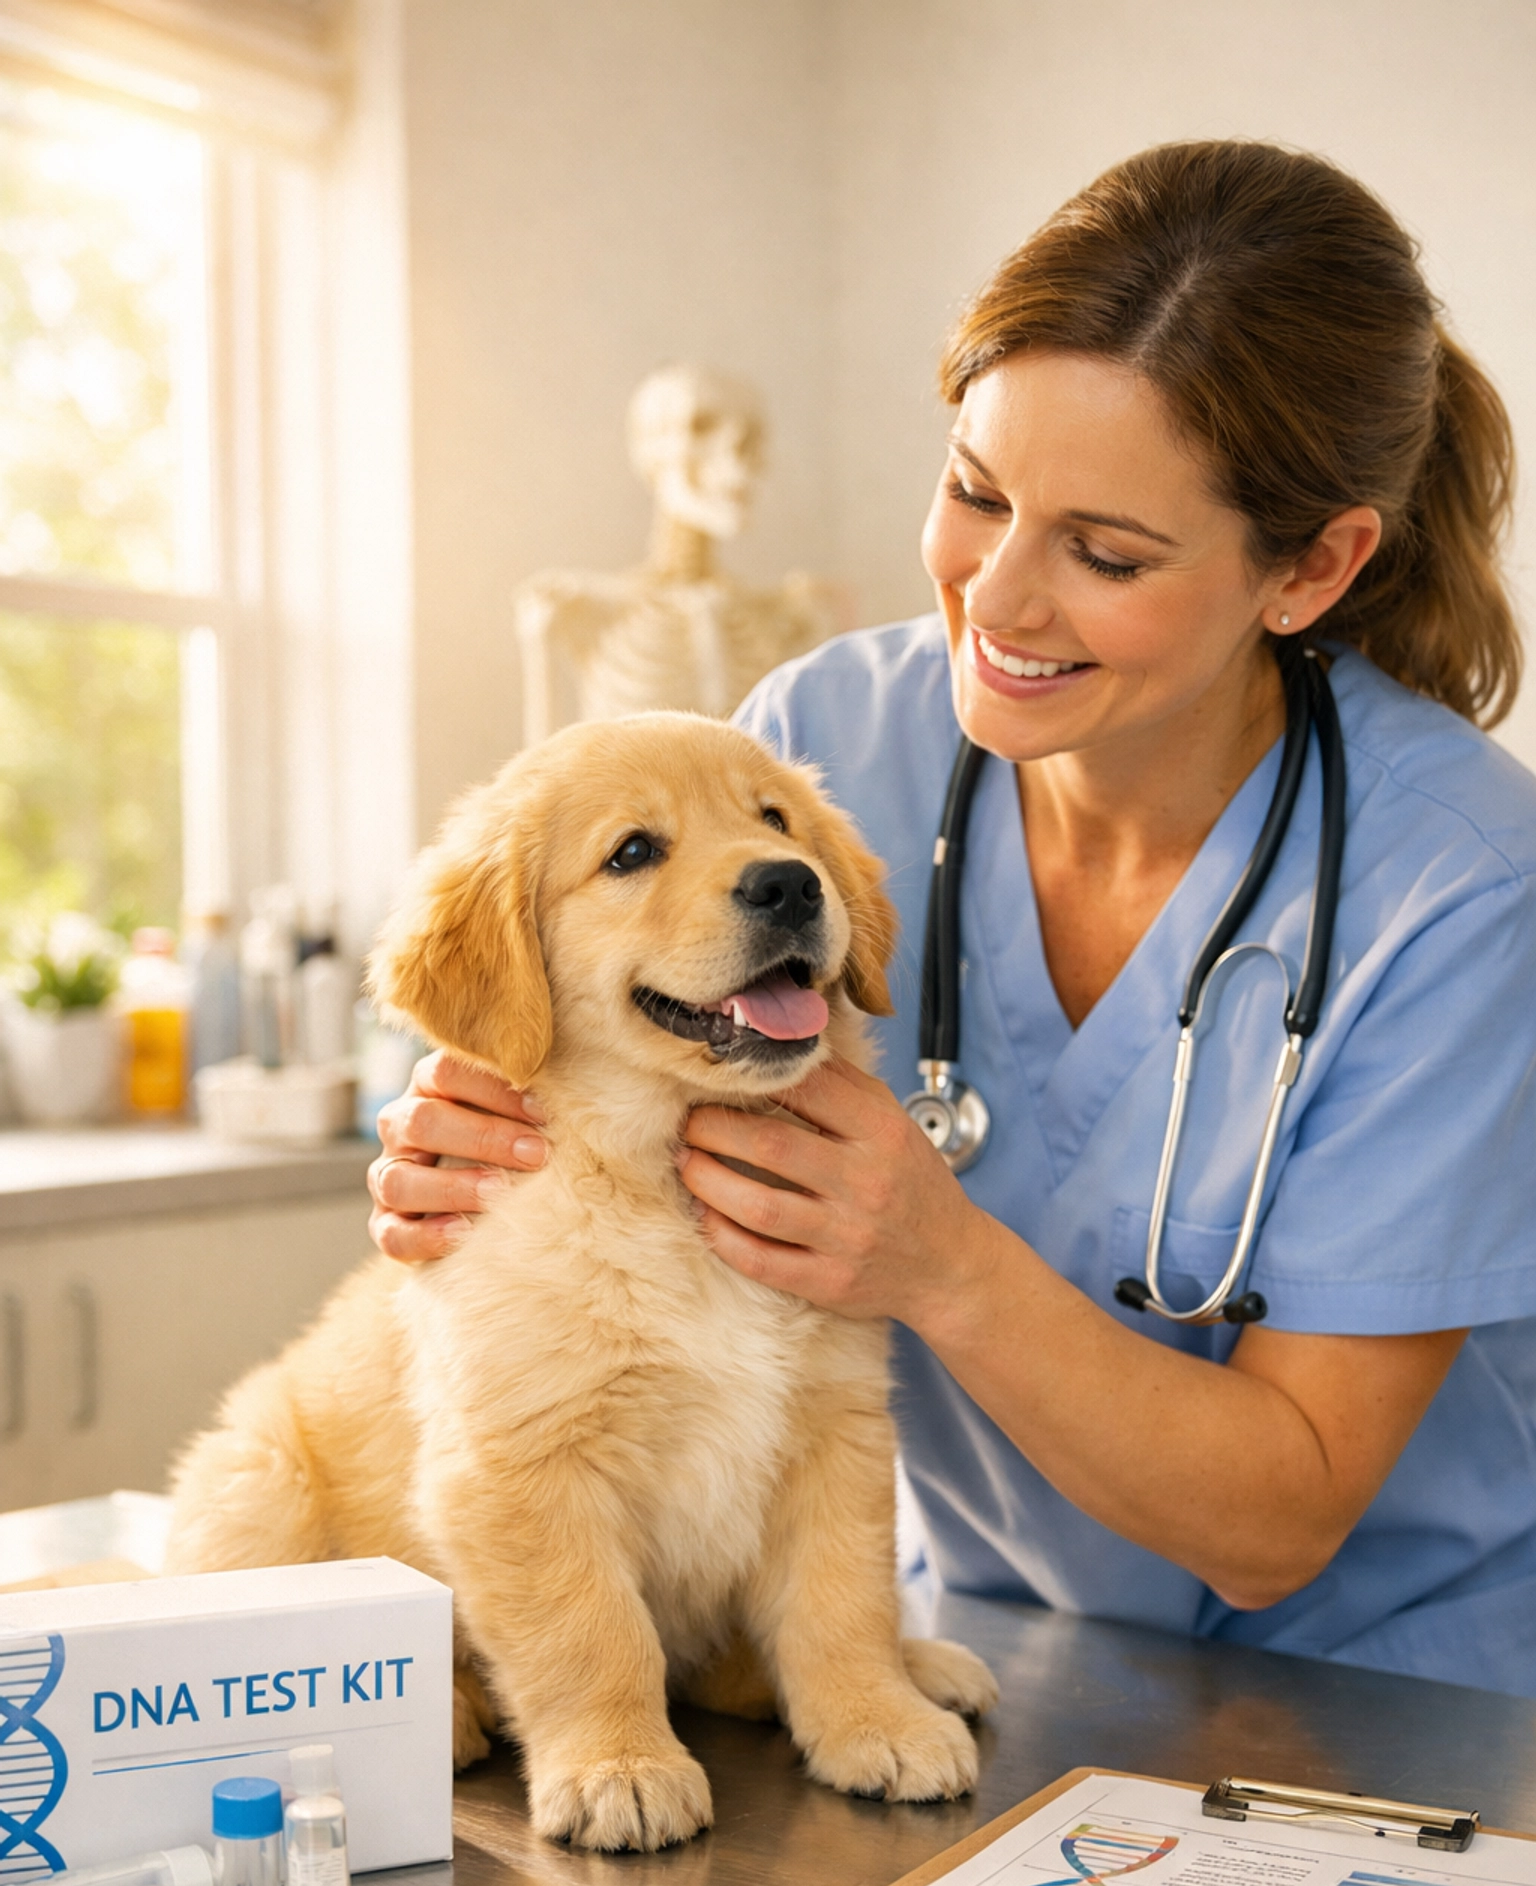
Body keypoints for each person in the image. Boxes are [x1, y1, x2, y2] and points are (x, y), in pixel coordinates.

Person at [368, 142, 1536, 1698]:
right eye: (976, 494)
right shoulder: (817, 745)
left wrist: (943, 1264)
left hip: (1397, 1707)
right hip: (980, 1644)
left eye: (1106, 553)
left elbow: (1281, 1517)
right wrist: (494, 1138)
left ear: (1310, 569)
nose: (998, 598)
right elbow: (614, 1057)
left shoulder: (1455, 885)